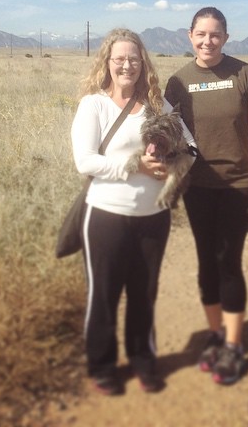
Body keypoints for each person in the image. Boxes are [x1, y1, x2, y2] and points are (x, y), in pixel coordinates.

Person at [71, 27, 196, 396]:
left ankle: (144, 361)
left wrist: (172, 166)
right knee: (104, 295)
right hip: (105, 217)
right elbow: (85, 162)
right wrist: (135, 166)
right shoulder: (93, 104)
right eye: (119, 59)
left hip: (153, 219)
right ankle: (103, 365)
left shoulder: (159, 106)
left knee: (144, 294)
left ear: (144, 64)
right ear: (106, 63)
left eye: (134, 59)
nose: (127, 66)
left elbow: (190, 148)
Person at [164, 7, 248, 386]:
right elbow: (171, 137)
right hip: (198, 187)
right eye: (201, 34)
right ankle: (215, 335)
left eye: (215, 34)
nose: (207, 41)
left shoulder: (244, 74)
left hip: (237, 184)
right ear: (189, 36)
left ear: (226, 37)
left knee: (229, 261)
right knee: (206, 262)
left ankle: (234, 345)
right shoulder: (177, 82)